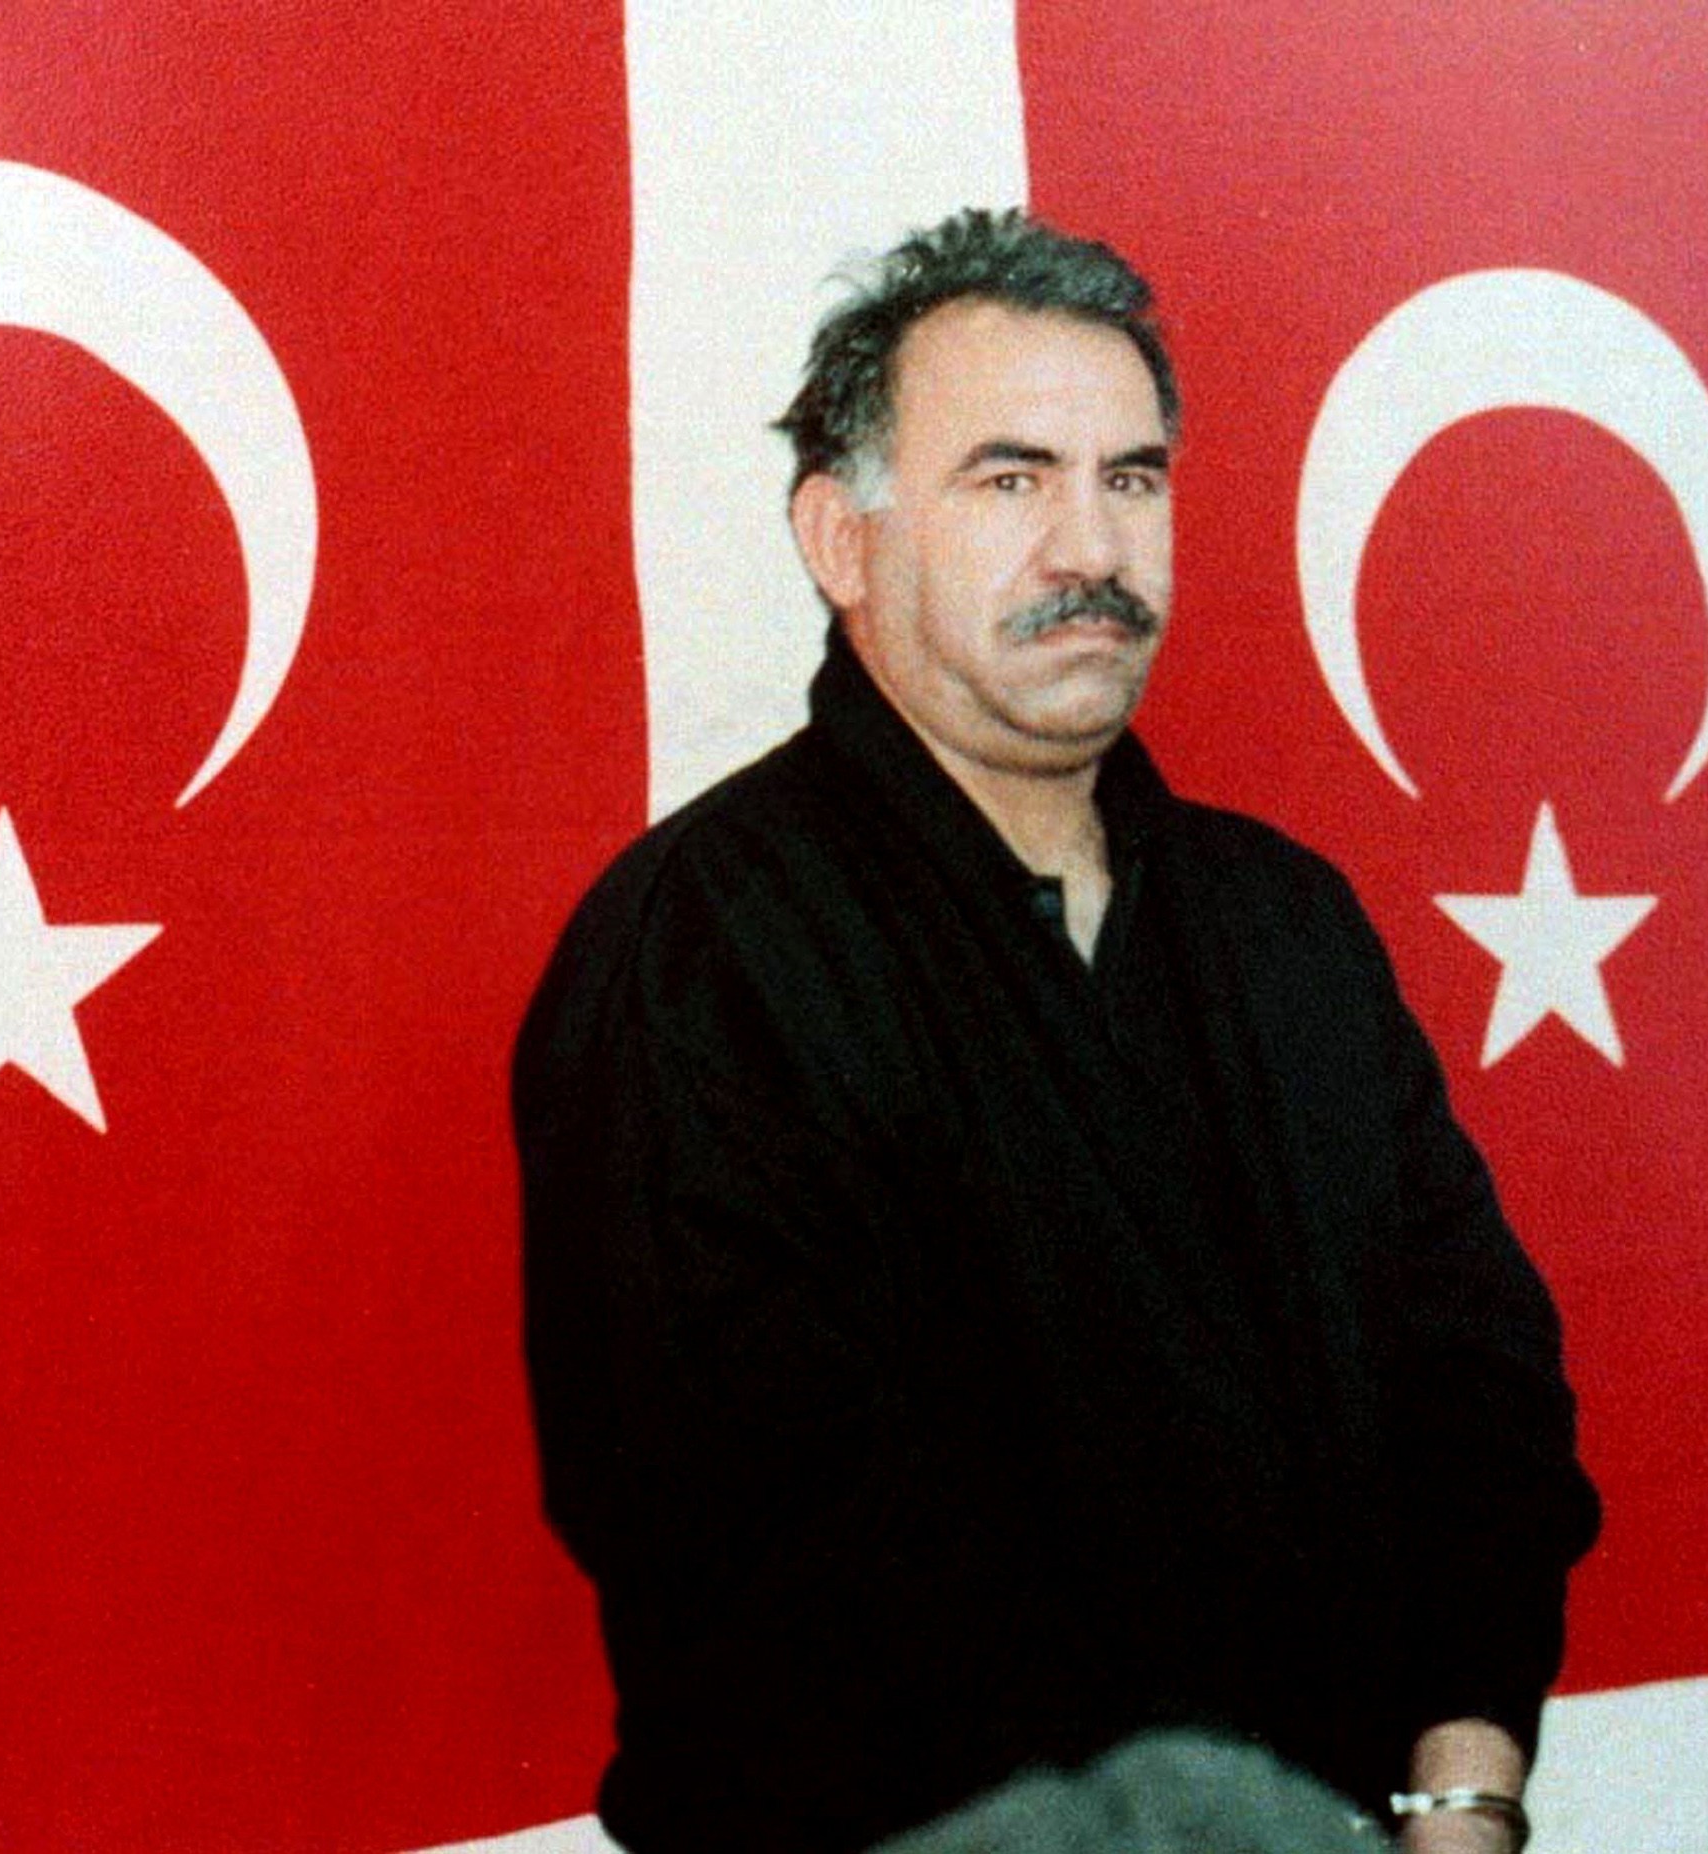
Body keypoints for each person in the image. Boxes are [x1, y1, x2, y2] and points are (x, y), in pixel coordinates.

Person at [512, 209, 1600, 1854]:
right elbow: (769, 1568)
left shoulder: (1284, 925)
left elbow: (1483, 1402)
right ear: (840, 536)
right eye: (1011, 479)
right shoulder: (705, 956)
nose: (1091, 545)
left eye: (1132, 478)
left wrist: (1464, 1794)